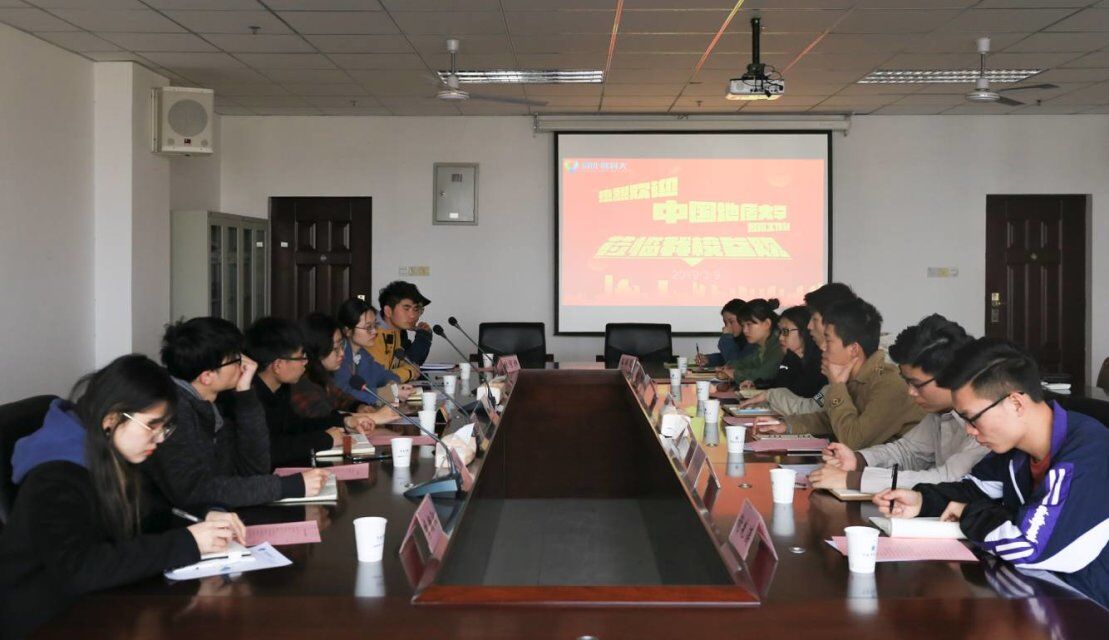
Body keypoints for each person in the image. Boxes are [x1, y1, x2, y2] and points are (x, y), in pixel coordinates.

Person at [0, 355, 247, 638]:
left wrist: (204, 517)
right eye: (152, 425)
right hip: (45, 620)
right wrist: (189, 541)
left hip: (97, 604)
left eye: (165, 427)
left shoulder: (109, 452)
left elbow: (149, 515)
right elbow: (80, 569)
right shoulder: (55, 477)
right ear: (112, 418)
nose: (160, 438)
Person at [875, 339, 1108, 608]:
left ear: (1016, 403)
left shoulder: (1087, 453)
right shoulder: (1013, 450)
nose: (969, 430)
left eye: (972, 418)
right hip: (1038, 597)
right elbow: (974, 490)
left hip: (1089, 609)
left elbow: (1026, 547)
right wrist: (922, 501)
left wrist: (968, 513)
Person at [145, 318, 331, 511]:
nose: (246, 364)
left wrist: (246, 394)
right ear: (207, 376)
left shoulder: (210, 406)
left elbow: (253, 469)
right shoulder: (173, 413)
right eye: (235, 359)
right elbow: (196, 491)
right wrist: (288, 486)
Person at [810, 314, 987, 493]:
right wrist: (858, 460)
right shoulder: (940, 412)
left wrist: (853, 480)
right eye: (907, 382)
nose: (910, 392)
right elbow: (908, 451)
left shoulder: (984, 418)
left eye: (917, 384)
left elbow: (947, 479)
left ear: (951, 375)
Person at [758, 297, 925, 450]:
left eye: (828, 340)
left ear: (853, 349)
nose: (823, 347)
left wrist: (837, 386)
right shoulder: (856, 376)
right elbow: (832, 420)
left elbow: (853, 440)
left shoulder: (888, 384)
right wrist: (786, 425)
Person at [244, 317, 375, 467]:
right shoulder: (249, 399)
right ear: (278, 365)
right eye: (301, 357)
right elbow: (272, 449)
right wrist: (326, 439)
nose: (305, 362)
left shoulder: (280, 389)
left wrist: (344, 422)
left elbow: (296, 425)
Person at [741, 282, 856, 413]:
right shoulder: (828, 360)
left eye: (814, 319)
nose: (809, 326)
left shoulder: (827, 362)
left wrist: (770, 395)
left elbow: (810, 407)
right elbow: (816, 409)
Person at [292, 312, 400, 427]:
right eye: (335, 348)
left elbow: (342, 399)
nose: (342, 353)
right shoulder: (300, 381)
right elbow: (324, 419)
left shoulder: (323, 375)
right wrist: (374, 417)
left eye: (342, 346)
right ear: (317, 349)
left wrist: (359, 407)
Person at [334, 297, 413, 406]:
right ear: (348, 331)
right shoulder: (337, 357)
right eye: (368, 327)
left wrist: (393, 385)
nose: (375, 331)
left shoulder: (362, 353)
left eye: (375, 325)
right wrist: (389, 393)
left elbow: (383, 375)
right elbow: (345, 393)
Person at [751, 305, 826, 399]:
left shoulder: (821, 362)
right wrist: (757, 385)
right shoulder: (790, 358)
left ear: (805, 330)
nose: (780, 337)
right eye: (780, 332)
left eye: (785, 331)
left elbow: (803, 394)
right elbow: (780, 385)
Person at [370, 281, 433, 379]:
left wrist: (424, 335)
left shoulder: (397, 331)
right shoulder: (371, 334)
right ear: (388, 311)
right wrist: (410, 371)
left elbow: (409, 363)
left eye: (416, 309)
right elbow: (377, 378)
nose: (413, 316)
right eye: (406, 309)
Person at [716, 298, 784, 386]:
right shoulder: (762, 346)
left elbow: (765, 373)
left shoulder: (779, 344)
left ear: (767, 324)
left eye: (749, 324)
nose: (745, 330)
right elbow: (748, 362)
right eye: (743, 325)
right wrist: (729, 366)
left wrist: (735, 374)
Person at [694, 298, 754, 368]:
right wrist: (708, 359)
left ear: (743, 319)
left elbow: (736, 362)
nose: (727, 326)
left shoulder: (753, 340)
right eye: (725, 323)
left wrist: (727, 337)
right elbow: (726, 358)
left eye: (731, 322)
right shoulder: (739, 339)